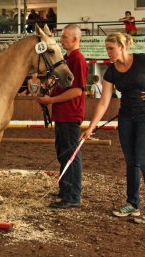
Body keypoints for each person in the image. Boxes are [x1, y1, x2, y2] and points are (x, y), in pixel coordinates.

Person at [80, 32, 145, 223]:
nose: (108, 52)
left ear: (122, 47)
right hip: (126, 118)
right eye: (106, 48)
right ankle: (132, 204)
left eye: (111, 48)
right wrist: (91, 127)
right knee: (131, 162)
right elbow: (103, 102)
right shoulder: (111, 72)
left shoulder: (142, 59)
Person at [36, 24, 88, 209]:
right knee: (63, 153)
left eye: (65, 37)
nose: (62, 40)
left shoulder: (78, 60)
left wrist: (51, 99)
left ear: (75, 39)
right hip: (63, 114)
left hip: (70, 114)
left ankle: (72, 196)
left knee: (70, 155)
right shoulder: (66, 59)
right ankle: (66, 190)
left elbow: (76, 92)